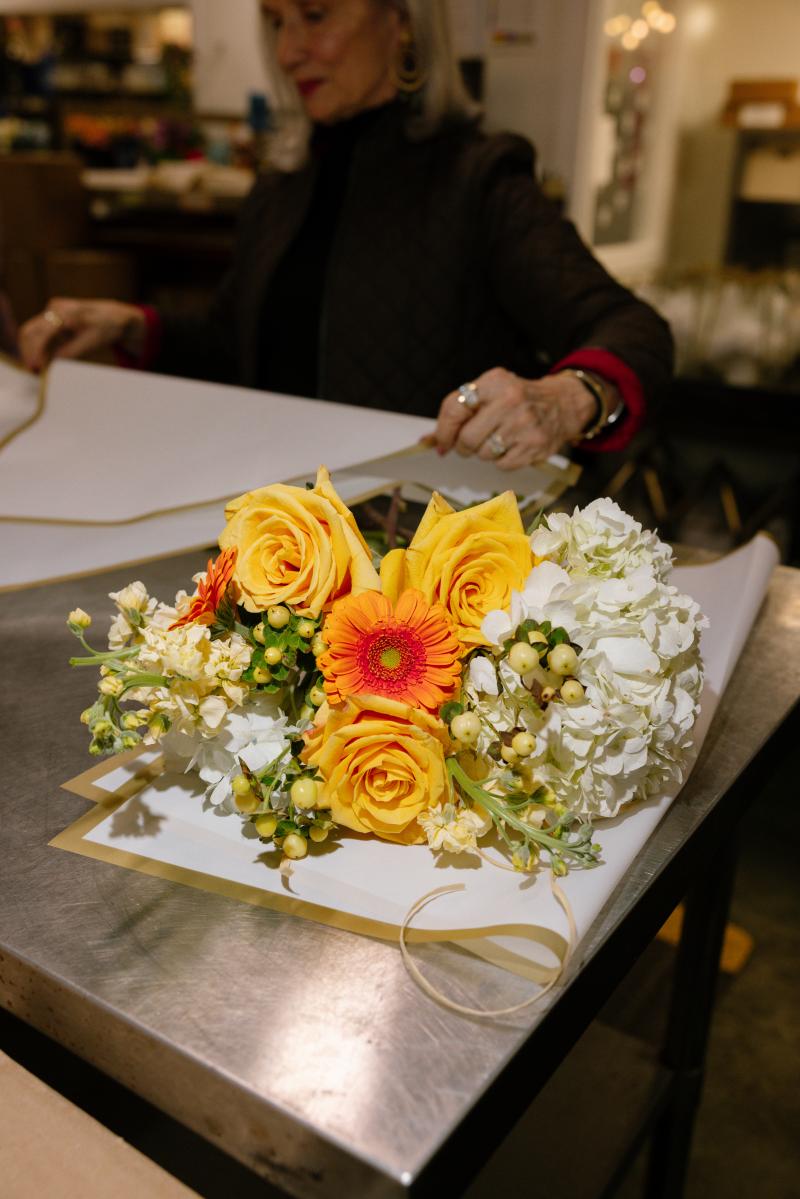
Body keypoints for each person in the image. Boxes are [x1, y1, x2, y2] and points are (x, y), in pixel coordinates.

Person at [19, 0, 672, 470]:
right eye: (276, 21)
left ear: (402, 21)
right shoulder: (281, 186)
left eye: (315, 15)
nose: (286, 52)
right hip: (285, 541)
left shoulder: (476, 178)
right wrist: (132, 325)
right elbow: (238, 346)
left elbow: (632, 327)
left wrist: (566, 399)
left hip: (417, 561)